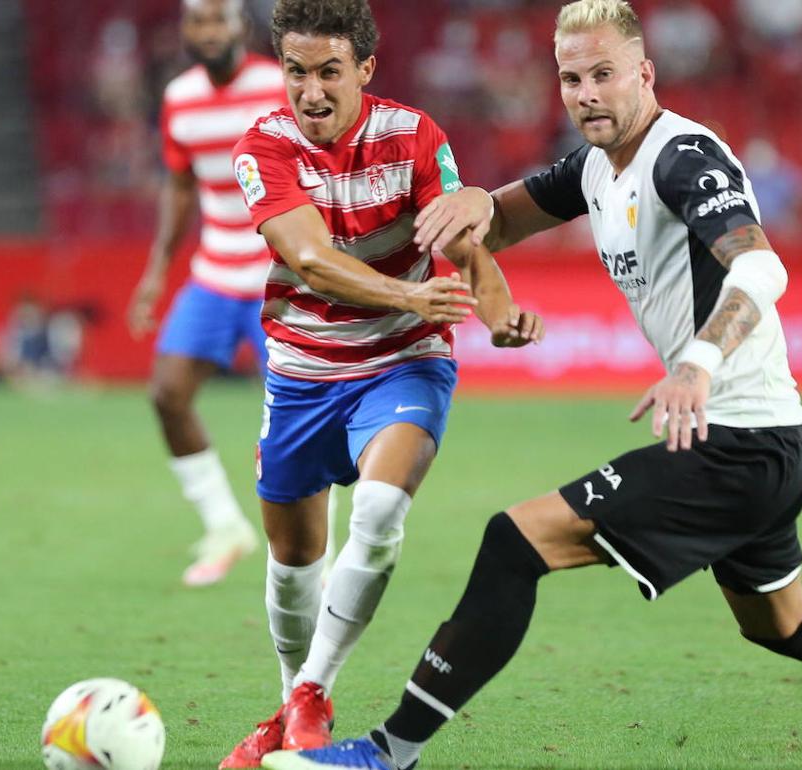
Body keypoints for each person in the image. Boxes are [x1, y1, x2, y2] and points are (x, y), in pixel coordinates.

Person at [263, 2, 802, 769]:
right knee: (781, 622)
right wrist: (471, 201)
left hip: (735, 438)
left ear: (643, 74)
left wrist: (697, 363)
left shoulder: (683, 157)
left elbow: (760, 266)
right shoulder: (594, 165)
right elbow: (501, 222)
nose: (588, 93)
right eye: (572, 78)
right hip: (772, 443)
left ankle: (389, 752)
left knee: (514, 542)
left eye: (604, 75)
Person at [218, 1, 543, 767]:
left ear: (364, 69)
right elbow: (309, 260)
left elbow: (463, 245)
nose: (311, 91)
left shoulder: (414, 136)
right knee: (293, 568)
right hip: (302, 372)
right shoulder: (261, 148)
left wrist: (496, 313)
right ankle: (290, 701)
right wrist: (407, 293)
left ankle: (314, 692)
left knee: (381, 509)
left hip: (404, 361)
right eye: (296, 72)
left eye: (329, 71)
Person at [126, 0, 286, 587]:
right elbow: (178, 186)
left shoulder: (279, 85)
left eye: (218, 19)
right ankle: (225, 525)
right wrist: (155, 271)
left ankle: (312, 549)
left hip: (281, 272)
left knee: (299, 415)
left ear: (241, 27)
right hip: (215, 272)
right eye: (198, 21)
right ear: (185, 31)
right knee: (168, 394)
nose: (209, 30)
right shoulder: (179, 97)